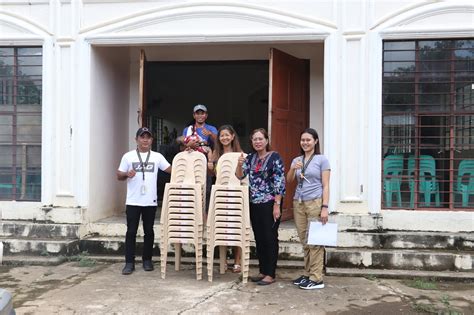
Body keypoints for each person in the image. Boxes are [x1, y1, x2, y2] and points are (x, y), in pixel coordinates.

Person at [117, 127, 172, 275]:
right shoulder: (128, 157)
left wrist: (186, 159)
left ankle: (147, 260)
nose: (145, 140)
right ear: (136, 139)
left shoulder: (157, 157)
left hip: (150, 201)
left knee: (149, 231)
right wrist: (127, 174)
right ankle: (129, 263)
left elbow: (171, 169)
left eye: (148, 137)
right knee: (131, 231)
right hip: (133, 200)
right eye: (142, 137)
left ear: (152, 140)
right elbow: (119, 175)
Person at [235, 128, 285, 285]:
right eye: (254, 139)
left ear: (266, 140)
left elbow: (280, 182)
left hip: (270, 202)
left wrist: (277, 205)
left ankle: (271, 273)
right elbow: (239, 175)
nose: (257, 142)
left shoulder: (274, 157)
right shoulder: (250, 158)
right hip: (254, 202)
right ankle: (263, 271)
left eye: (260, 139)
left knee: (270, 237)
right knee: (259, 238)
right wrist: (239, 164)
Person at [286, 128, 330, 290]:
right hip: (299, 202)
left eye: (308, 140)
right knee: (305, 241)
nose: (305, 143)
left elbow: (326, 185)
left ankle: (317, 278)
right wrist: (293, 168)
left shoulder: (322, 160)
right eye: (302, 140)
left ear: (315, 141)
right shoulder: (297, 159)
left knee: (316, 241)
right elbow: (289, 180)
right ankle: (308, 273)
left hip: (315, 202)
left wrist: (325, 207)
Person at [207, 125, 243, 273]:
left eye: (227, 135)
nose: (225, 138)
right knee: (222, 227)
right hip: (220, 193)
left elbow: (242, 176)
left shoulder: (240, 154)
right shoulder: (216, 153)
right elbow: (212, 175)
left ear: (233, 136)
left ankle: (237, 261)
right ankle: (224, 261)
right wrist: (210, 165)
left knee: (236, 229)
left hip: (235, 194)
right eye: (222, 135)